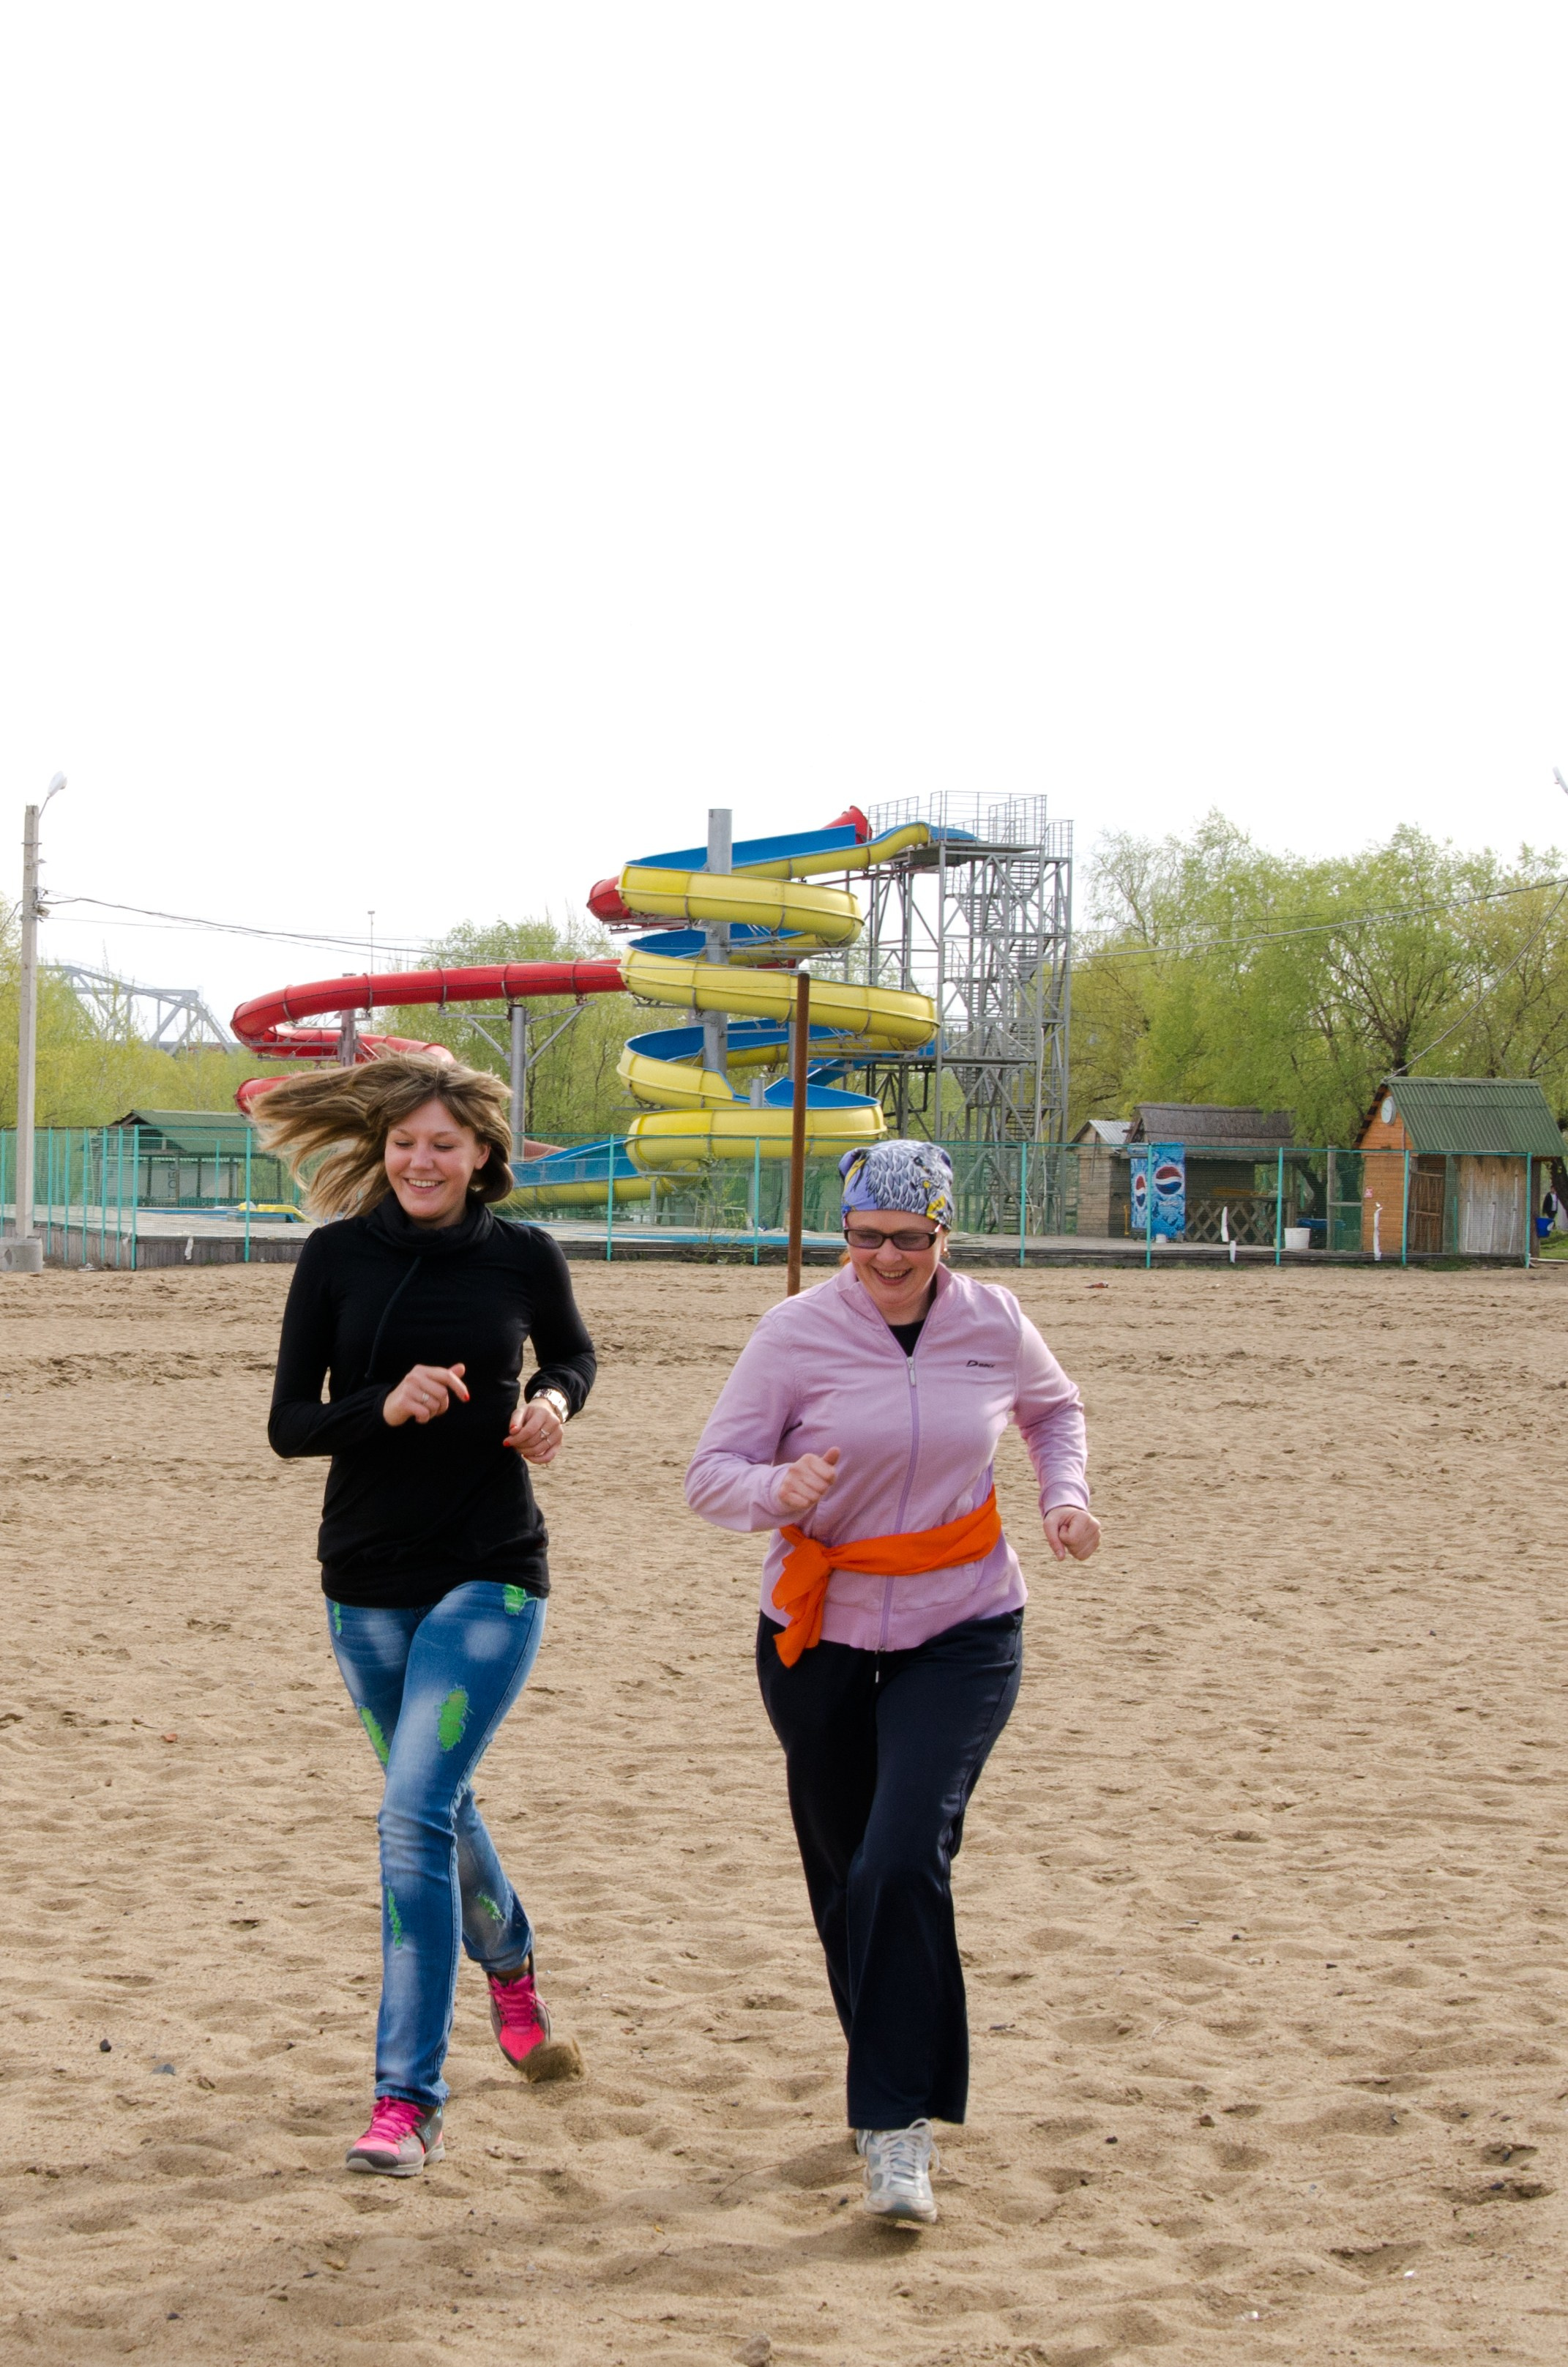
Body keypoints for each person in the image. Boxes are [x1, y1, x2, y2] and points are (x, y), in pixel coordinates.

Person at [686, 1139, 1099, 2225]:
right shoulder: (793, 1334)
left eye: (908, 1240)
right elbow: (708, 1478)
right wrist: (783, 1483)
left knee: (902, 1855)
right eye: (864, 1237)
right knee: (845, 1880)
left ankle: (896, 2128)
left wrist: (1064, 1495)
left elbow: (1054, 1410)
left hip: (961, 1624)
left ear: (943, 1234)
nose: (884, 1257)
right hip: (814, 1636)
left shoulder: (992, 1319)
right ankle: (889, 2097)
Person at [261, 1054, 595, 2177]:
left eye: (443, 1144)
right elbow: (287, 1424)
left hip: (492, 1571)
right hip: (362, 1582)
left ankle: (407, 2100)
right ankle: (509, 1958)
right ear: (383, 1149)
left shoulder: (523, 1255)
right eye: (405, 1142)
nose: (421, 1160)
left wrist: (551, 1402)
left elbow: (574, 1354)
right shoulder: (335, 1258)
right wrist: (382, 1403)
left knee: (409, 1816)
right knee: (433, 1806)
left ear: (482, 1157)